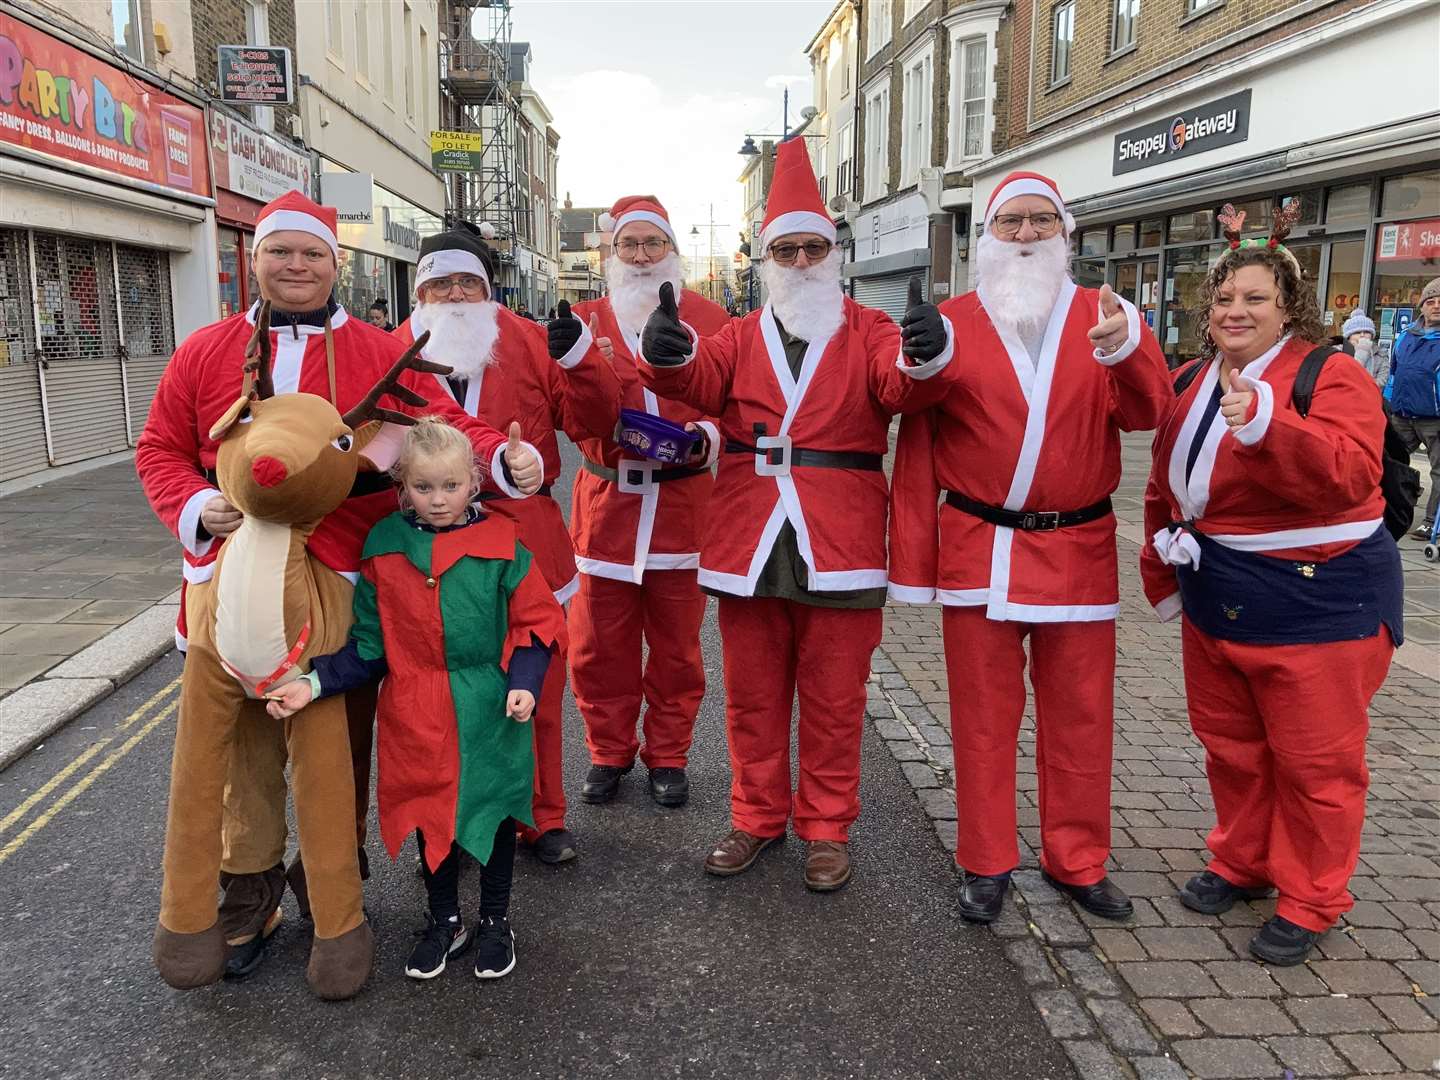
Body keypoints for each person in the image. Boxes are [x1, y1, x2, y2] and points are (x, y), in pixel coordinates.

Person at [136, 190, 543, 978]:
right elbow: (158, 448)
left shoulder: (377, 352)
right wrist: (195, 502)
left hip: (339, 583)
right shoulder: (203, 351)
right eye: (280, 251)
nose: (295, 266)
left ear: (336, 264)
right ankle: (249, 886)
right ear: (254, 258)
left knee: (337, 749)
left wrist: (502, 461)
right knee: (243, 755)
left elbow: (443, 429)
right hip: (230, 583)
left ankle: (330, 881)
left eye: (311, 253)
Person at [639, 140, 953, 890]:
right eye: (788, 248)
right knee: (751, 696)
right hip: (751, 537)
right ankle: (755, 816)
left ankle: (825, 825)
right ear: (766, 259)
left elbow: (902, 387)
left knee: (836, 699)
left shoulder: (870, 329)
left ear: (834, 252)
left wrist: (925, 353)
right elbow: (695, 379)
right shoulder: (740, 337)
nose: (803, 259)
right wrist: (665, 355)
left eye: (815, 246)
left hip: (839, 538)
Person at [888, 171, 1172, 923]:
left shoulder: (1105, 316)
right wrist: (916, 359)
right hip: (978, 547)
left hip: (1077, 546)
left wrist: (1129, 350)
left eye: (1041, 221)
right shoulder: (951, 320)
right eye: (1009, 222)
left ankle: (1076, 859)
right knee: (981, 720)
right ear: (986, 234)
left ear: (1066, 234)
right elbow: (911, 415)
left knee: (1081, 716)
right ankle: (986, 860)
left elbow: (1149, 411)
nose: (1024, 235)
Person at [1142, 202, 1402, 966]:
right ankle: (1243, 859)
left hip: (1319, 604)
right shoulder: (1191, 377)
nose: (1236, 310)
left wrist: (1266, 426)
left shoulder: (1333, 373)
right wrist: (1162, 564)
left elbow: (1351, 471)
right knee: (1233, 747)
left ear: (1289, 307)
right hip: (1218, 600)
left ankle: (1314, 895)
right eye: (1224, 298)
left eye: (1255, 298)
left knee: (1317, 763)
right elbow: (1168, 485)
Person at [267, 418, 566, 981]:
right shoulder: (385, 548)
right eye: (423, 488)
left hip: (488, 703)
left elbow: (535, 622)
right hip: (414, 707)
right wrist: (311, 683)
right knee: (433, 816)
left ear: (473, 484)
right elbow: (369, 645)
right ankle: (444, 919)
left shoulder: (503, 544)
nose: (437, 500)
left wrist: (525, 680)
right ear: (403, 487)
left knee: (495, 814)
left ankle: (496, 921)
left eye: (451, 486)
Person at [393, 227, 622, 864]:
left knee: (538, 687)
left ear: (491, 290)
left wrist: (582, 362)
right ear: (419, 292)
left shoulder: (528, 340)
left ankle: (541, 817)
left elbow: (595, 424)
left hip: (527, 537)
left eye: (469, 282)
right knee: (448, 695)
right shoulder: (390, 350)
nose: (456, 294)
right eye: (440, 283)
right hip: (431, 545)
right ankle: (461, 819)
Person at [559, 196, 730, 808]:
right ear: (610, 254)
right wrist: (581, 369)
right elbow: (568, 414)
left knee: (679, 649)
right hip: (607, 508)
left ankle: (669, 754)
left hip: (684, 510)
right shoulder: (581, 322)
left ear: (671, 252)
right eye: (628, 245)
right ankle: (608, 751)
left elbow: (733, 405)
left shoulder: (711, 318)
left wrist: (705, 440)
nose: (639, 256)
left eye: (651, 244)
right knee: (597, 646)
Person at [1387, 277, 1440, 538]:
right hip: (1402, 414)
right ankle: (1383, 508)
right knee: (1385, 459)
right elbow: (1394, 373)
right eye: (1431, 301)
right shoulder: (1406, 336)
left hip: (1435, 418)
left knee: (1439, 471)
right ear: (1422, 306)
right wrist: (1387, 401)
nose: (1437, 306)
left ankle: (1432, 522)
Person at [1340, 309, 1386, 390]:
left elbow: (1382, 380)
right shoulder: (1339, 353)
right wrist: (1361, 354)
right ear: (1349, 337)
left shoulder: (1380, 353)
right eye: (1357, 332)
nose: (1362, 335)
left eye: (1366, 332)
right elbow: (1345, 379)